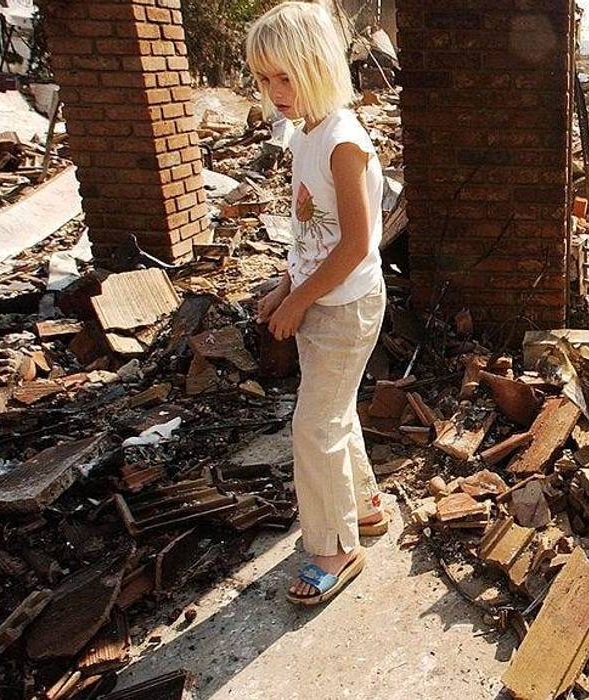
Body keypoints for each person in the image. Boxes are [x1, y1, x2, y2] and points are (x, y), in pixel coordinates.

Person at [246, 2, 387, 605]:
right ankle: (366, 507)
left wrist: (299, 300)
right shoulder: (304, 131)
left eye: (285, 76)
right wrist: (285, 286)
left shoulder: (342, 141)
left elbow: (355, 243)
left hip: (345, 307)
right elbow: (312, 232)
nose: (274, 91)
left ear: (317, 65)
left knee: (313, 426)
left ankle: (334, 547)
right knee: (333, 412)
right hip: (320, 301)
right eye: (263, 78)